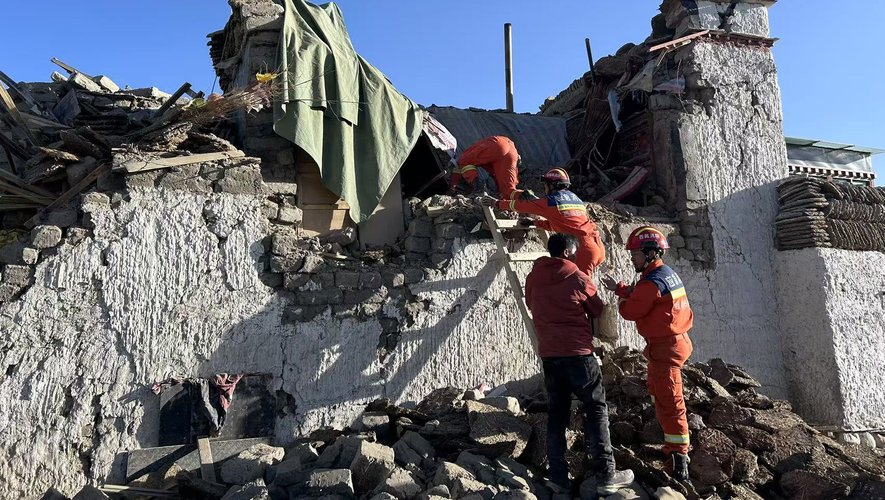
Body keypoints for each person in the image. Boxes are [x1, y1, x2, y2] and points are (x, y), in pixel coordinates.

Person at [525, 233, 634, 495]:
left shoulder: (533, 277)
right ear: (565, 253)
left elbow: (530, 303)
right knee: (596, 409)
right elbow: (596, 310)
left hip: (550, 355)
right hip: (579, 355)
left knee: (557, 414)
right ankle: (606, 474)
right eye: (574, 253)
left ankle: (558, 477)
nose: (576, 257)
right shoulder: (577, 277)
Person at [600, 226, 694, 481]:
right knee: (659, 391)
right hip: (668, 344)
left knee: (671, 401)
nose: (632, 258)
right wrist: (620, 289)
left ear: (651, 253)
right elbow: (643, 295)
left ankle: (678, 458)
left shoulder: (653, 281)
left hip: (667, 348)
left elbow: (631, 310)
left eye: (636, 254)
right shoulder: (662, 274)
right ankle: (670, 443)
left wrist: (620, 301)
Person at [479, 168, 606, 274]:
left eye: (545, 185)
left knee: (578, 292)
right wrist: (535, 223)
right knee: (579, 289)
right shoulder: (575, 199)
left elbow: (522, 206)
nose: (544, 188)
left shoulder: (551, 202)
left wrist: (497, 203)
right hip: (597, 247)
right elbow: (564, 225)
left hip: (583, 250)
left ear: (552, 185)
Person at [449, 136, 523, 200]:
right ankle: (530, 200)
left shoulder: (467, 153)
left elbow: (459, 165)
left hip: (497, 144)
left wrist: (452, 186)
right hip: (512, 151)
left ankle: (479, 189)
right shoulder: (488, 161)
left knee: (464, 161)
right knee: (508, 190)